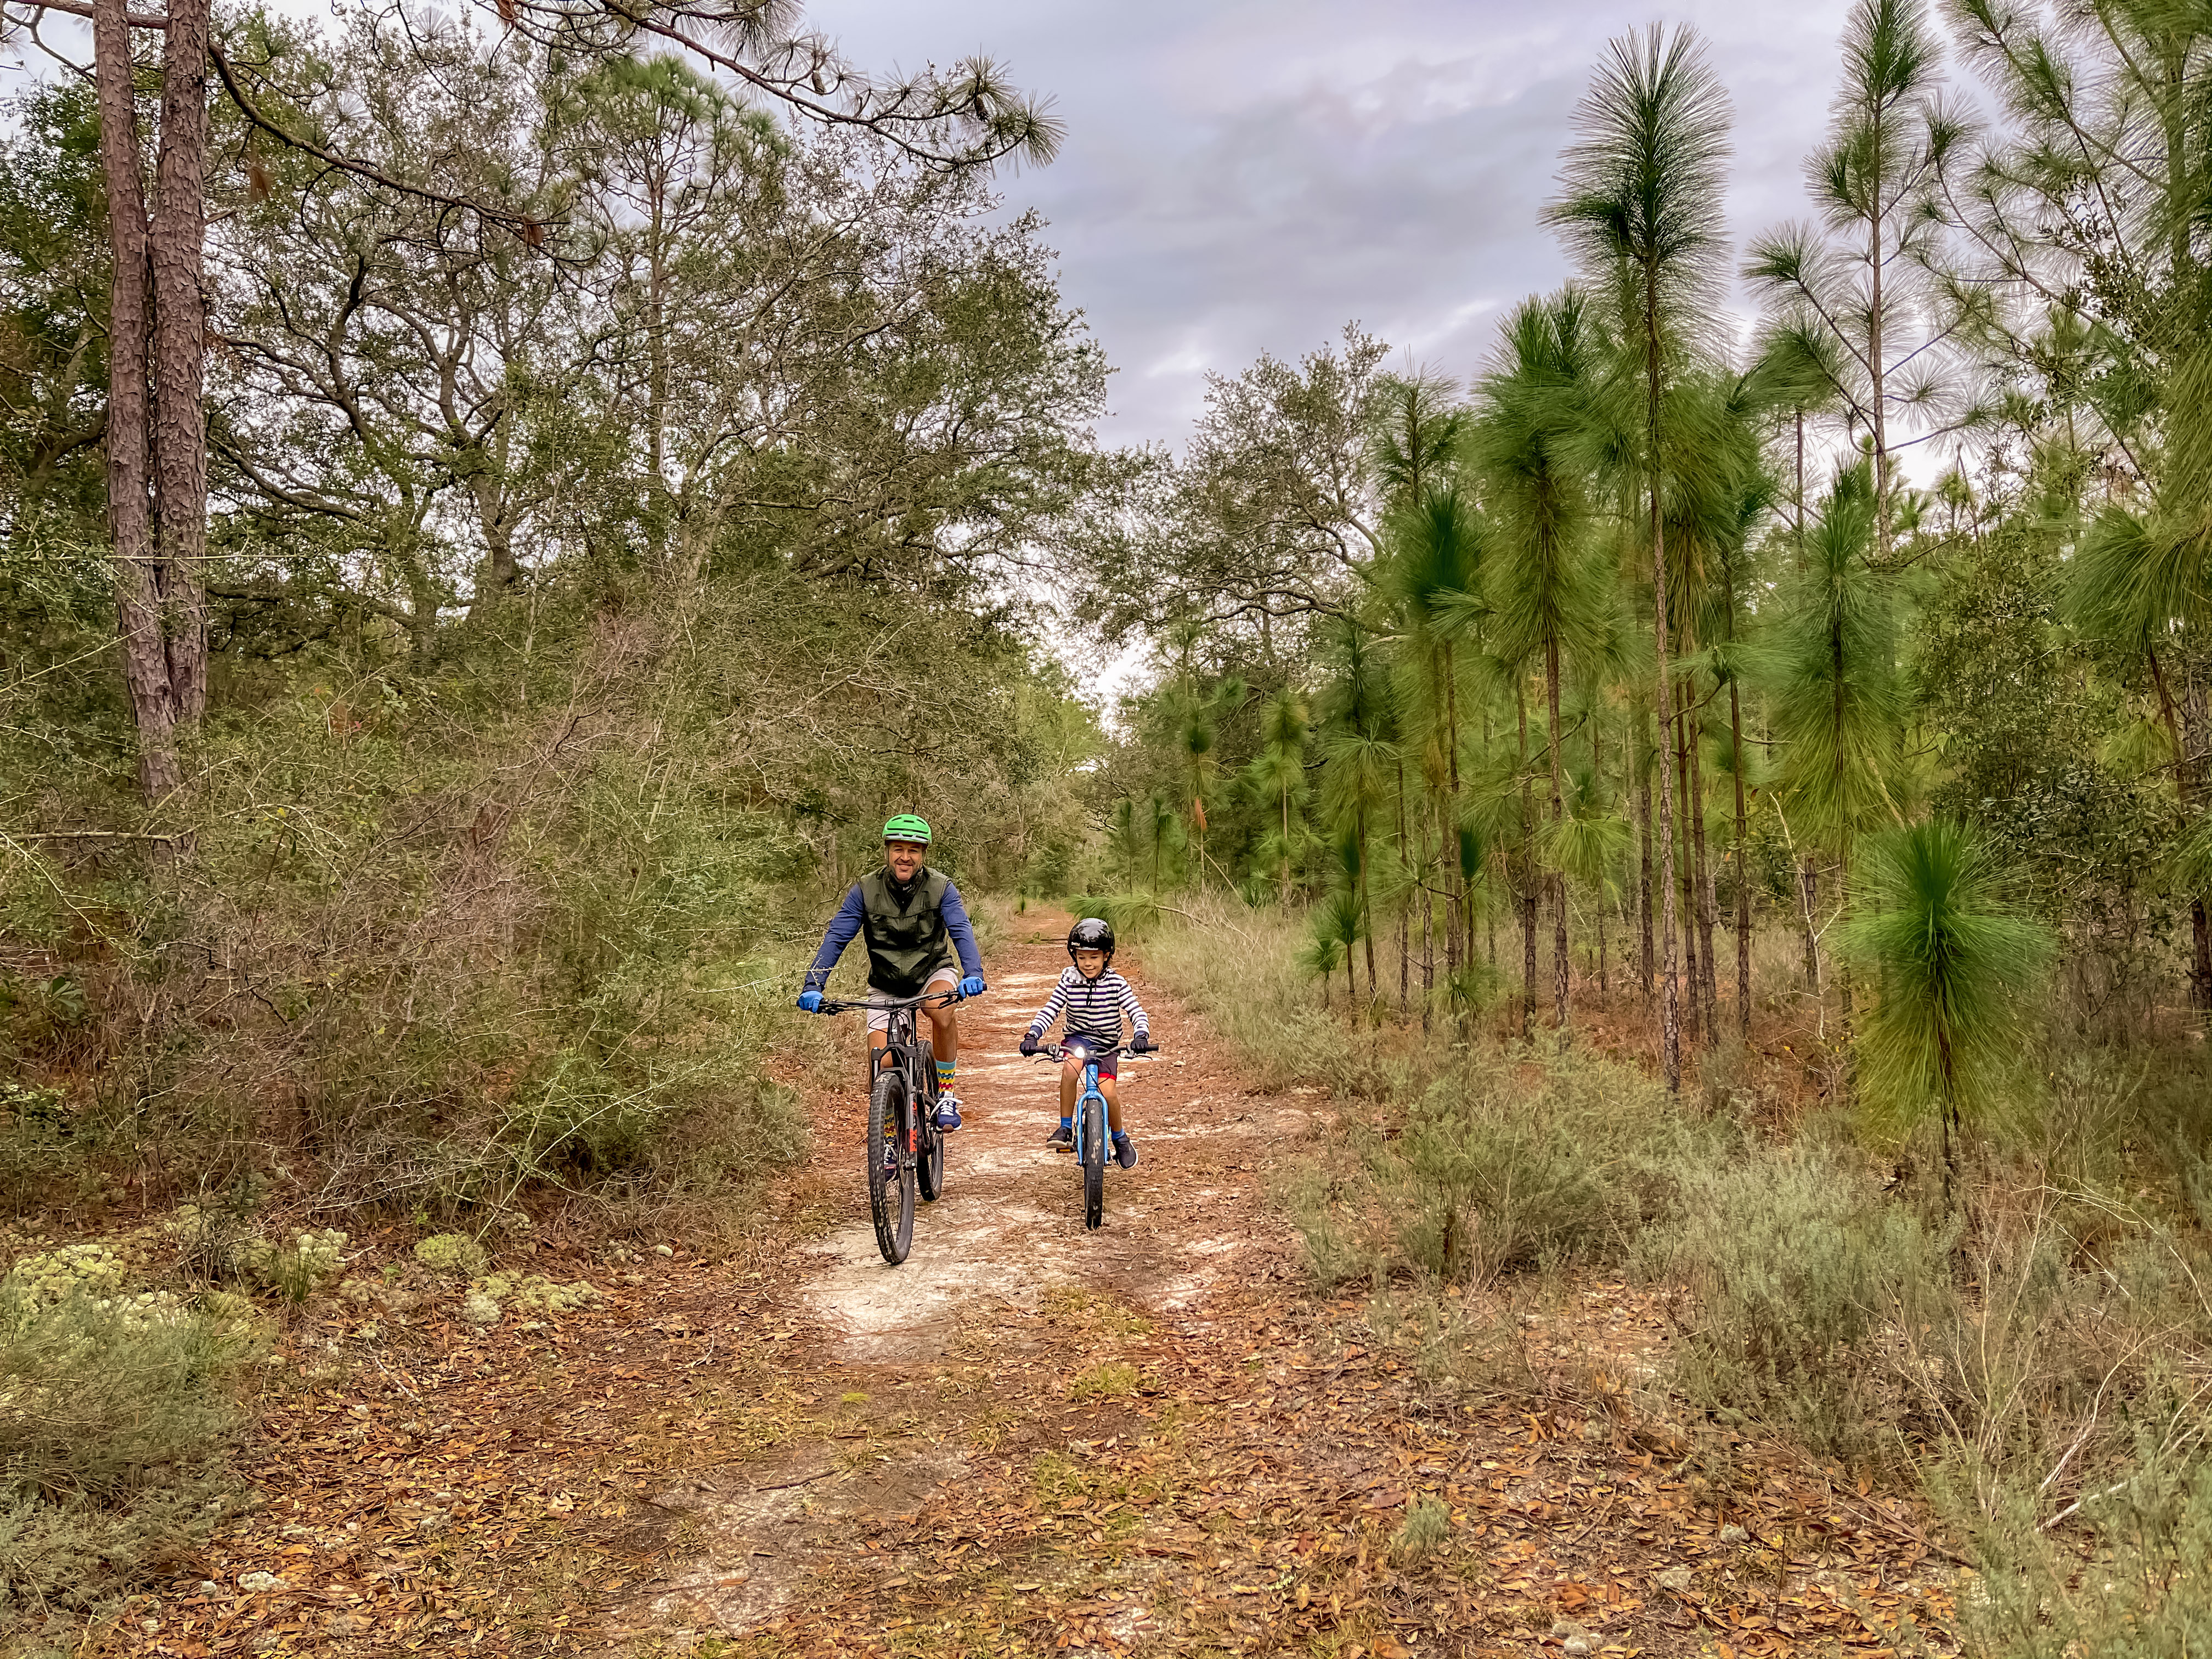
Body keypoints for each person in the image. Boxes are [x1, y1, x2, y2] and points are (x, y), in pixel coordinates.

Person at [797, 815, 986, 1130]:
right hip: (885, 984)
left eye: (913, 850)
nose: (905, 857)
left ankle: (947, 1093)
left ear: (923, 854)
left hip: (932, 972)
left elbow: (960, 930)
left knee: (939, 1010)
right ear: (887, 851)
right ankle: (887, 1138)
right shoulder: (864, 890)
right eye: (898, 849)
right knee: (881, 1063)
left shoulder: (942, 888)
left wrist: (973, 972)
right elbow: (837, 937)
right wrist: (814, 985)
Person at [1018, 917, 1153, 1169]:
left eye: (1094, 957)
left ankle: (1120, 1137)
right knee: (1070, 1071)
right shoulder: (1069, 979)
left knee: (1108, 1092)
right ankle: (1065, 1128)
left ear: (1107, 956)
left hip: (1107, 1044)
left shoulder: (1116, 982)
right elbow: (1052, 1008)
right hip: (1077, 1039)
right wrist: (1033, 1035)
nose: (1088, 964)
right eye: (1082, 957)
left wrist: (1141, 1036)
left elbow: (1136, 1011)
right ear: (1074, 956)